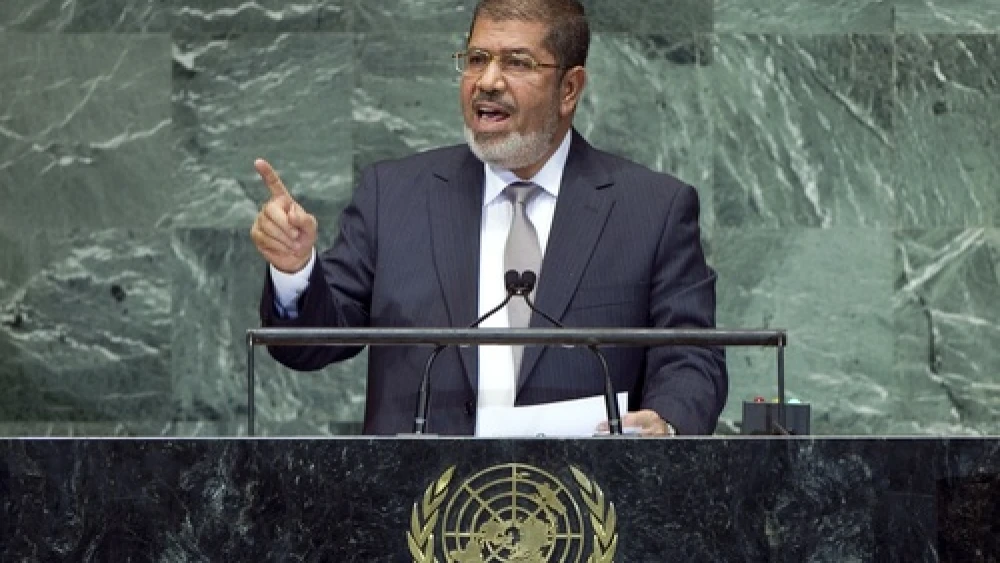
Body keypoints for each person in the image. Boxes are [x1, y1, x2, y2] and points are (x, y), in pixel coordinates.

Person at [250, 0, 727, 436]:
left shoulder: (651, 209)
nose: (488, 81)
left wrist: (667, 423)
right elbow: (308, 346)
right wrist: (295, 270)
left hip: (585, 512)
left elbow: (691, 356)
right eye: (476, 59)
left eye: (516, 62)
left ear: (569, 88)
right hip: (418, 509)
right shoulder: (393, 196)